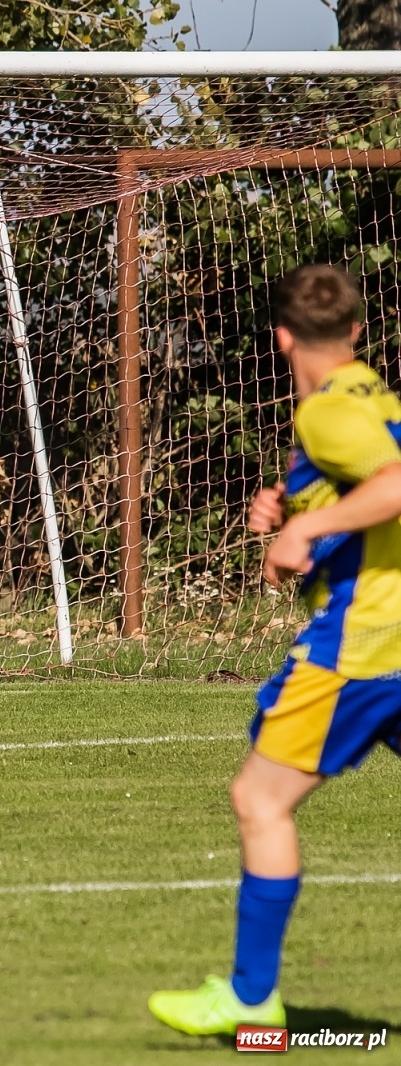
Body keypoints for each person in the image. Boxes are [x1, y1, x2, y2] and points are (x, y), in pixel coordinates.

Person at [149, 264, 401, 1037]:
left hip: (361, 650)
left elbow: (394, 484)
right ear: (355, 331)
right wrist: (297, 504)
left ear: (281, 336)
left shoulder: (327, 412)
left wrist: (303, 528)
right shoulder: (372, 391)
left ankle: (252, 1000)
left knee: (260, 801)